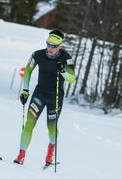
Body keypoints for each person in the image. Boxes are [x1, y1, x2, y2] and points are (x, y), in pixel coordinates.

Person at [13, 29, 76, 165]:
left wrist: (63, 71)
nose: (49, 48)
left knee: (51, 127)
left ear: (59, 46)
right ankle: (21, 155)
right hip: (39, 94)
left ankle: (50, 153)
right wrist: (25, 90)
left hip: (56, 97)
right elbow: (28, 71)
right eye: (48, 44)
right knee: (29, 124)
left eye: (53, 46)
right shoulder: (38, 55)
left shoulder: (66, 58)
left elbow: (72, 79)